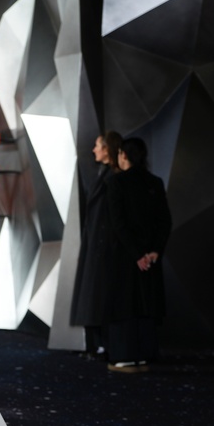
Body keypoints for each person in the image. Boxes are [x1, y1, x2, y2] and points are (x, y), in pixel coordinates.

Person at [103, 137, 172, 372]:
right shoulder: (155, 182)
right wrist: (154, 252)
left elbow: (118, 223)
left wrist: (136, 254)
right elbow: (165, 221)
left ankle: (124, 356)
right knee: (146, 305)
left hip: (125, 256)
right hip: (150, 258)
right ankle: (144, 356)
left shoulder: (116, 183)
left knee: (124, 305)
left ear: (123, 155)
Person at [71, 131, 122, 358]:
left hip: (105, 247)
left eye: (97, 146)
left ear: (107, 149)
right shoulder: (105, 175)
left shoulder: (113, 177)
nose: (93, 150)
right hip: (96, 244)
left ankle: (105, 345)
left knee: (100, 295)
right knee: (94, 294)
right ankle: (99, 344)